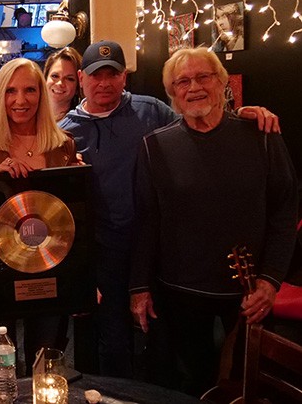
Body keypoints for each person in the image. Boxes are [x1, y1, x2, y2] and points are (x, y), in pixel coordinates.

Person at [59, 40, 280, 378]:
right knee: (112, 339)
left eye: (113, 74)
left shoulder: (152, 112)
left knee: (163, 344)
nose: (104, 83)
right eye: (95, 75)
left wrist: (244, 115)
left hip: (162, 250)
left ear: (125, 77)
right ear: (82, 78)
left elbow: (202, 124)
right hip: (105, 251)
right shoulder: (65, 134)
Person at [129, 47, 297, 395]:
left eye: (203, 76)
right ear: (172, 93)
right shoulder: (154, 146)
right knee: (191, 382)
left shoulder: (262, 135)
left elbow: (285, 211)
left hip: (248, 292)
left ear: (222, 81)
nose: (194, 87)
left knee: (248, 382)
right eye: (182, 81)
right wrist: (139, 288)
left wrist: (270, 281)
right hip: (180, 291)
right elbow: (147, 222)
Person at [0, 57, 79, 365]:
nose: (21, 100)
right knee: (0, 362)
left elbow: (72, 215)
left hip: (50, 268)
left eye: (30, 90)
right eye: (11, 91)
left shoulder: (63, 145)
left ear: (41, 93)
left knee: (46, 359)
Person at [43, 47, 82, 122]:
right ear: (45, 79)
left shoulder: (78, 125)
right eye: (55, 76)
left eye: (69, 79)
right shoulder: (30, 116)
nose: (60, 83)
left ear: (78, 87)